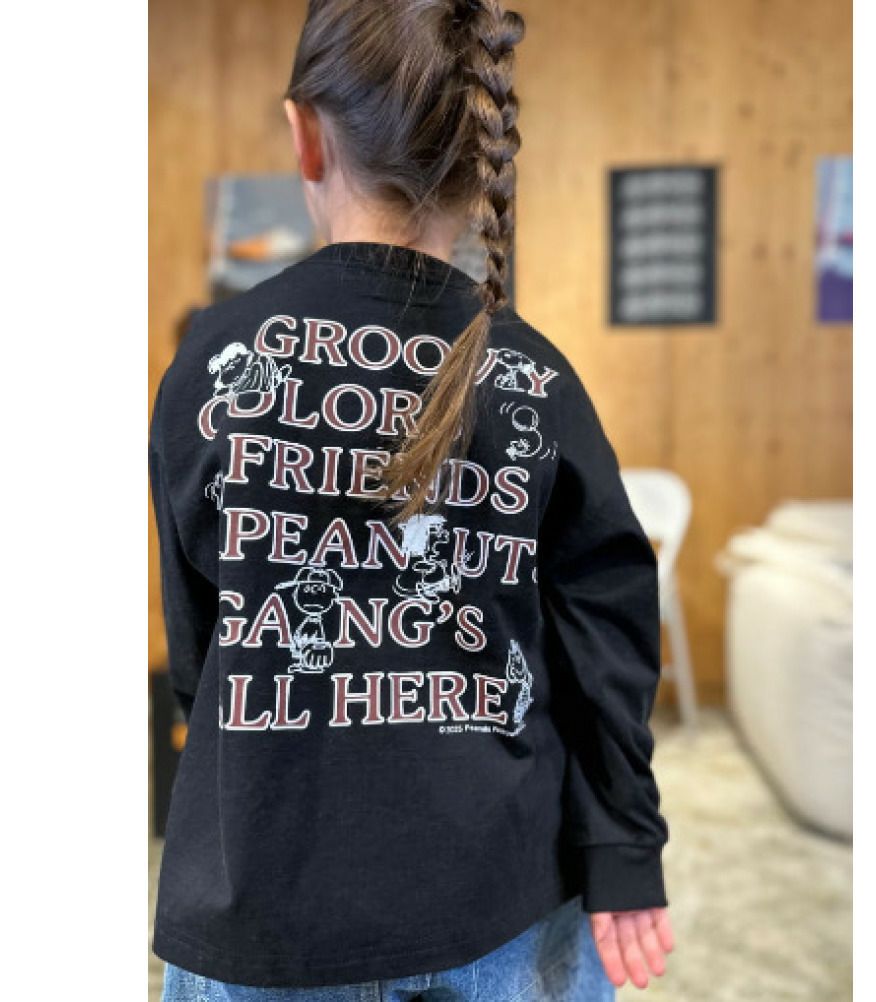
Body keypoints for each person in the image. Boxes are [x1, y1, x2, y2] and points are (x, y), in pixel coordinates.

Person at [149, 1, 674, 999]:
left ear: (306, 136)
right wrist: (624, 848)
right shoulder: (538, 376)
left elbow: (201, 646)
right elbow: (606, 631)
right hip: (503, 896)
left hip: (268, 900)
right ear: (481, 163)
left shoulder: (213, 362)